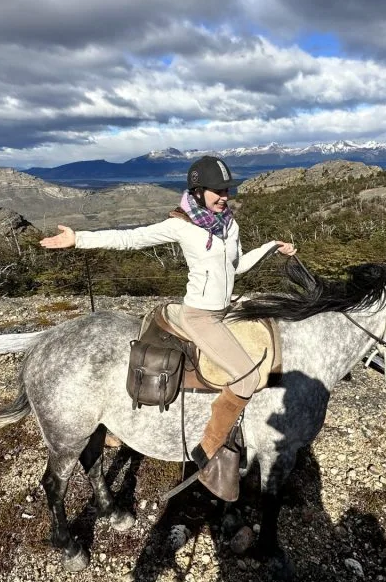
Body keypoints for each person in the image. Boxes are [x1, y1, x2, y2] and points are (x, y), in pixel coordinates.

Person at [40, 155, 296, 500]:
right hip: (200, 316)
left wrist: (269, 247)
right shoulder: (181, 226)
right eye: (216, 191)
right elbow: (131, 239)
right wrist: (79, 239)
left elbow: (236, 267)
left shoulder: (228, 225)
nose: (224, 196)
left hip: (226, 308)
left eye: (226, 190)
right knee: (248, 377)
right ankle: (208, 450)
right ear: (197, 190)